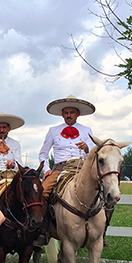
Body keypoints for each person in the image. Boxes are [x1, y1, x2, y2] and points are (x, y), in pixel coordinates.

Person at [34, 95, 96, 246]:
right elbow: (43, 153)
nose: (69, 115)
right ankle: (43, 230)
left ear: (77, 114)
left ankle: (101, 231)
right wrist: (47, 169)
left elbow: (94, 153)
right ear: (62, 115)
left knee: (102, 192)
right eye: (66, 112)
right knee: (43, 192)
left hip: (81, 169)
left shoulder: (87, 130)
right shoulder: (53, 130)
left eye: (72, 112)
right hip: (60, 169)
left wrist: (87, 148)